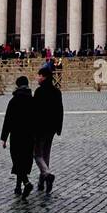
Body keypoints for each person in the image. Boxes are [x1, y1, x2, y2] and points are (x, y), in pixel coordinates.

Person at [0, 76, 36, 198]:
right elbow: (37, 119)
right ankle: (17, 186)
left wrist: (4, 138)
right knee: (25, 160)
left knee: (17, 160)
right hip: (30, 136)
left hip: (16, 135)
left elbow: (8, 120)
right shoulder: (32, 100)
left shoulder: (14, 101)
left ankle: (25, 183)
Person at [32, 64, 64, 194]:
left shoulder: (39, 92)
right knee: (46, 154)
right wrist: (59, 127)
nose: (37, 78)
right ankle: (42, 182)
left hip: (40, 128)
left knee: (37, 154)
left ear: (44, 77)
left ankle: (47, 174)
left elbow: (34, 111)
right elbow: (60, 111)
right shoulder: (57, 91)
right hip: (51, 128)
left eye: (39, 75)